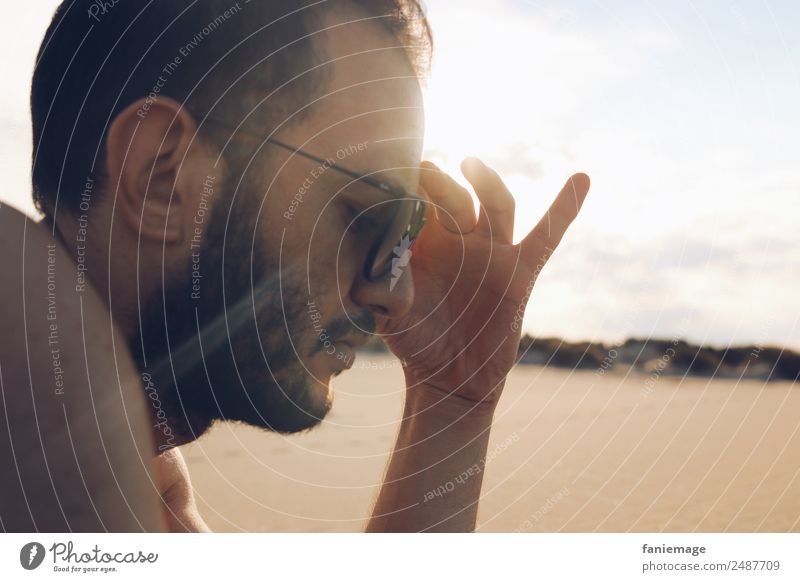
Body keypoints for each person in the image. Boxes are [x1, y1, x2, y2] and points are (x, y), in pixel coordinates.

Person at [0, 0, 590, 532]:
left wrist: (454, 401)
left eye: (406, 229)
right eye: (367, 214)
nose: (398, 292)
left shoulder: (141, 487)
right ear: (160, 175)